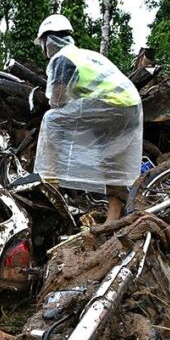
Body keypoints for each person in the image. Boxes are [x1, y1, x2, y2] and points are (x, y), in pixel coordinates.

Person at [34, 14, 143, 224]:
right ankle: (113, 220)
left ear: (48, 40)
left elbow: (57, 101)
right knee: (112, 164)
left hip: (111, 104)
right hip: (130, 107)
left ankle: (49, 180)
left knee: (52, 120)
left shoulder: (62, 58)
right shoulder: (87, 55)